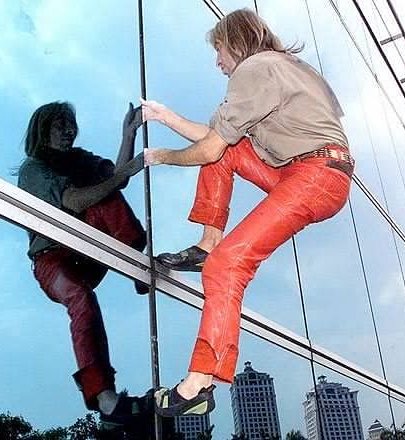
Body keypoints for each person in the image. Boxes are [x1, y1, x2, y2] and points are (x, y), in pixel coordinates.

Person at [142, 8, 354, 417]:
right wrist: (166, 117)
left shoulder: (253, 69)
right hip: (310, 170)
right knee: (228, 151)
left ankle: (200, 384)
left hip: (314, 176)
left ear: (236, 43)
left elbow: (205, 149)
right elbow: (217, 143)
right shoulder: (289, 69)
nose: (217, 62)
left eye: (219, 50)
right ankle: (208, 243)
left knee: (226, 269)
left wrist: (159, 157)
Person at [17, 101, 149, 426]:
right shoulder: (33, 169)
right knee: (81, 300)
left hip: (88, 250)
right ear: (44, 130)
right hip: (53, 258)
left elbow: (119, 177)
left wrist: (128, 134)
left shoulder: (80, 159)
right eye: (60, 127)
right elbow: (74, 200)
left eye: (71, 126)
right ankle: (105, 398)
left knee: (108, 193)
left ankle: (134, 260)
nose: (68, 133)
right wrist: (119, 177)